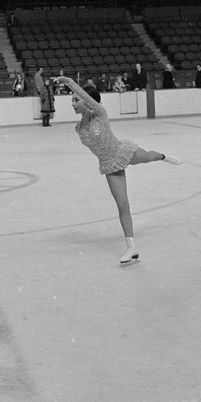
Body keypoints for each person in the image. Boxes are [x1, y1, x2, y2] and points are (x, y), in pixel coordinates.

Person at [52, 75, 182, 266]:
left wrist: (69, 82)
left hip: (123, 152)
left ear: (88, 103)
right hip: (109, 165)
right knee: (123, 205)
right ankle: (132, 247)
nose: (73, 103)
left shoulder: (100, 114)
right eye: (72, 100)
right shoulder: (78, 128)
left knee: (147, 157)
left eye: (76, 100)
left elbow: (87, 98)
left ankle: (163, 157)